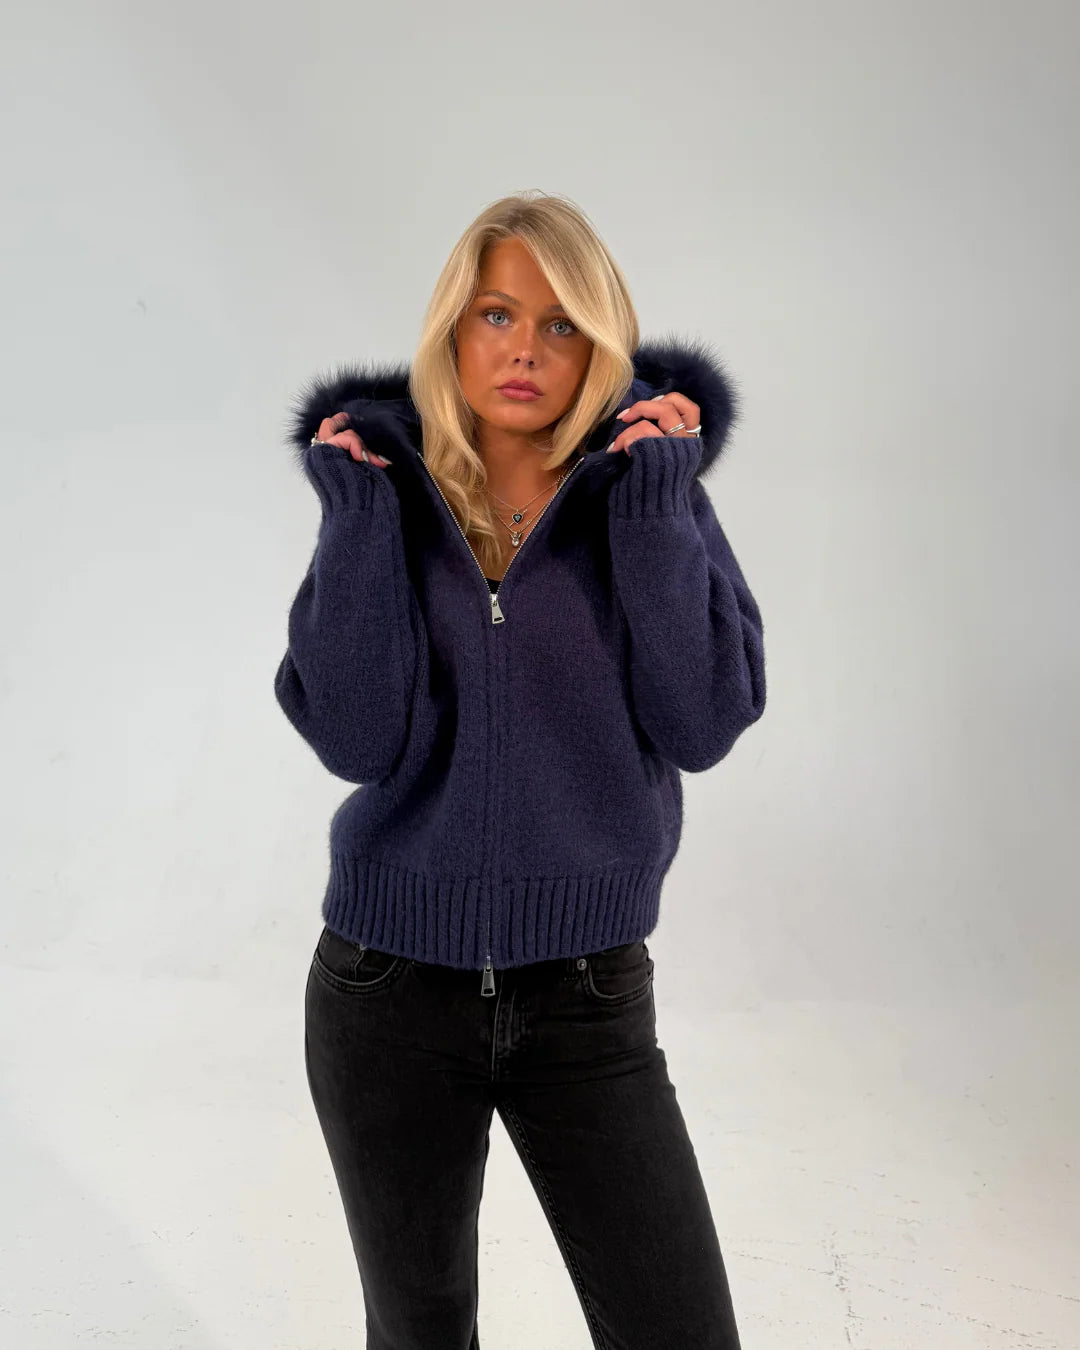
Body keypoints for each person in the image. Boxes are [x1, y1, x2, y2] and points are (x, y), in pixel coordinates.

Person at [274, 191, 766, 1349]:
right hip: (384, 992)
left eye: (561, 324)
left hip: (586, 1000)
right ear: (453, 326)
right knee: (421, 1329)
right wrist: (356, 518)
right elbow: (354, 740)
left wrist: (656, 511)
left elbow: (702, 721)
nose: (525, 350)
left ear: (601, 346)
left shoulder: (649, 493)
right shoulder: (385, 494)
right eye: (497, 314)